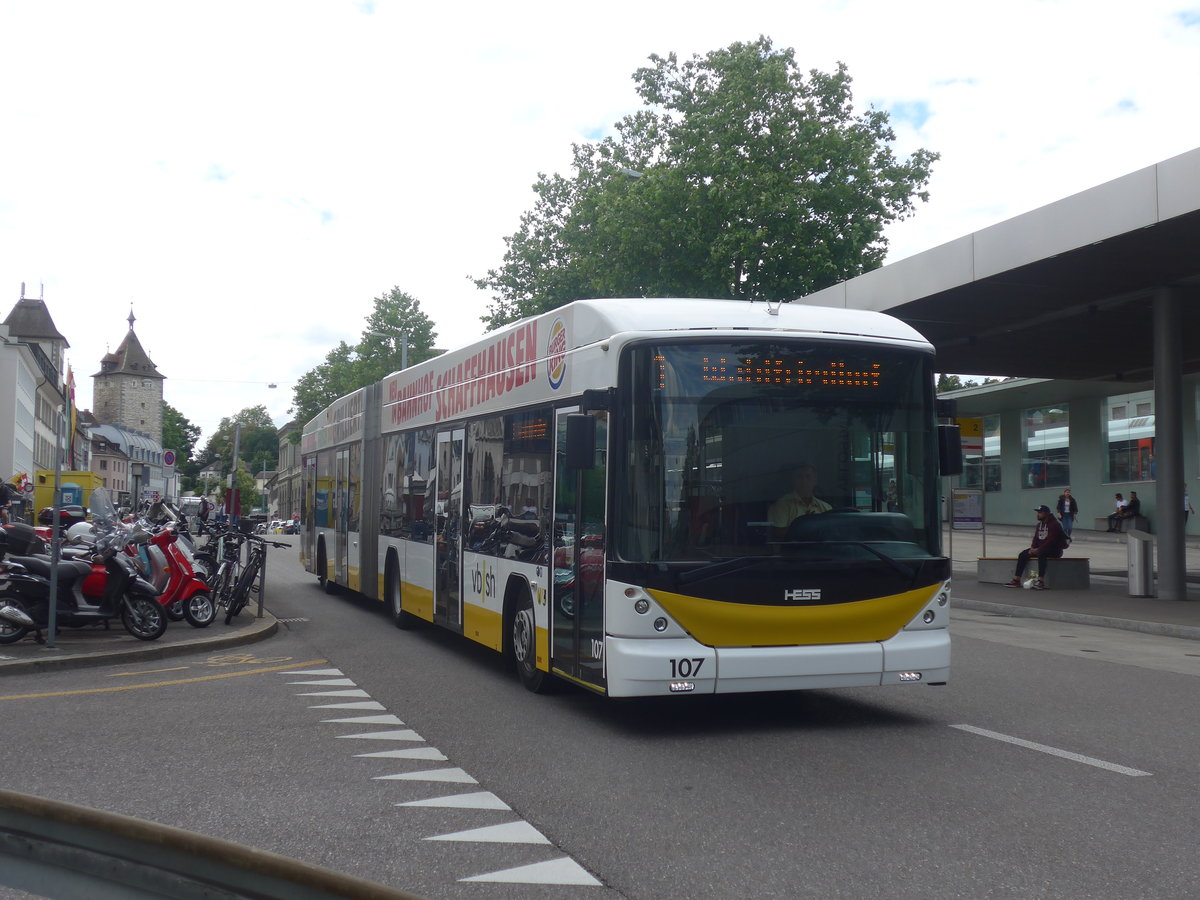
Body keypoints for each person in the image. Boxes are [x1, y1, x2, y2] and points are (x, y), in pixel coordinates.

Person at [1005, 505, 1069, 590]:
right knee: (1023, 554)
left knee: (1041, 553)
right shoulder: (1039, 525)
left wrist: (1038, 550)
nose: (1038, 514)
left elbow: (1051, 540)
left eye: (1040, 513)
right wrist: (1032, 549)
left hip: (1055, 550)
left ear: (1046, 514)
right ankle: (1017, 580)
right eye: (1037, 513)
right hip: (1042, 549)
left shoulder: (1054, 524)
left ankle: (1041, 581)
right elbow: (1036, 538)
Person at [768, 463, 831, 536]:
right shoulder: (781, 505)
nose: (804, 481)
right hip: (792, 547)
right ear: (792, 481)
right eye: (799, 477)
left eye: (808, 476)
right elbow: (776, 533)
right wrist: (803, 524)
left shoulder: (826, 507)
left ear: (815, 481)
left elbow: (831, 533)